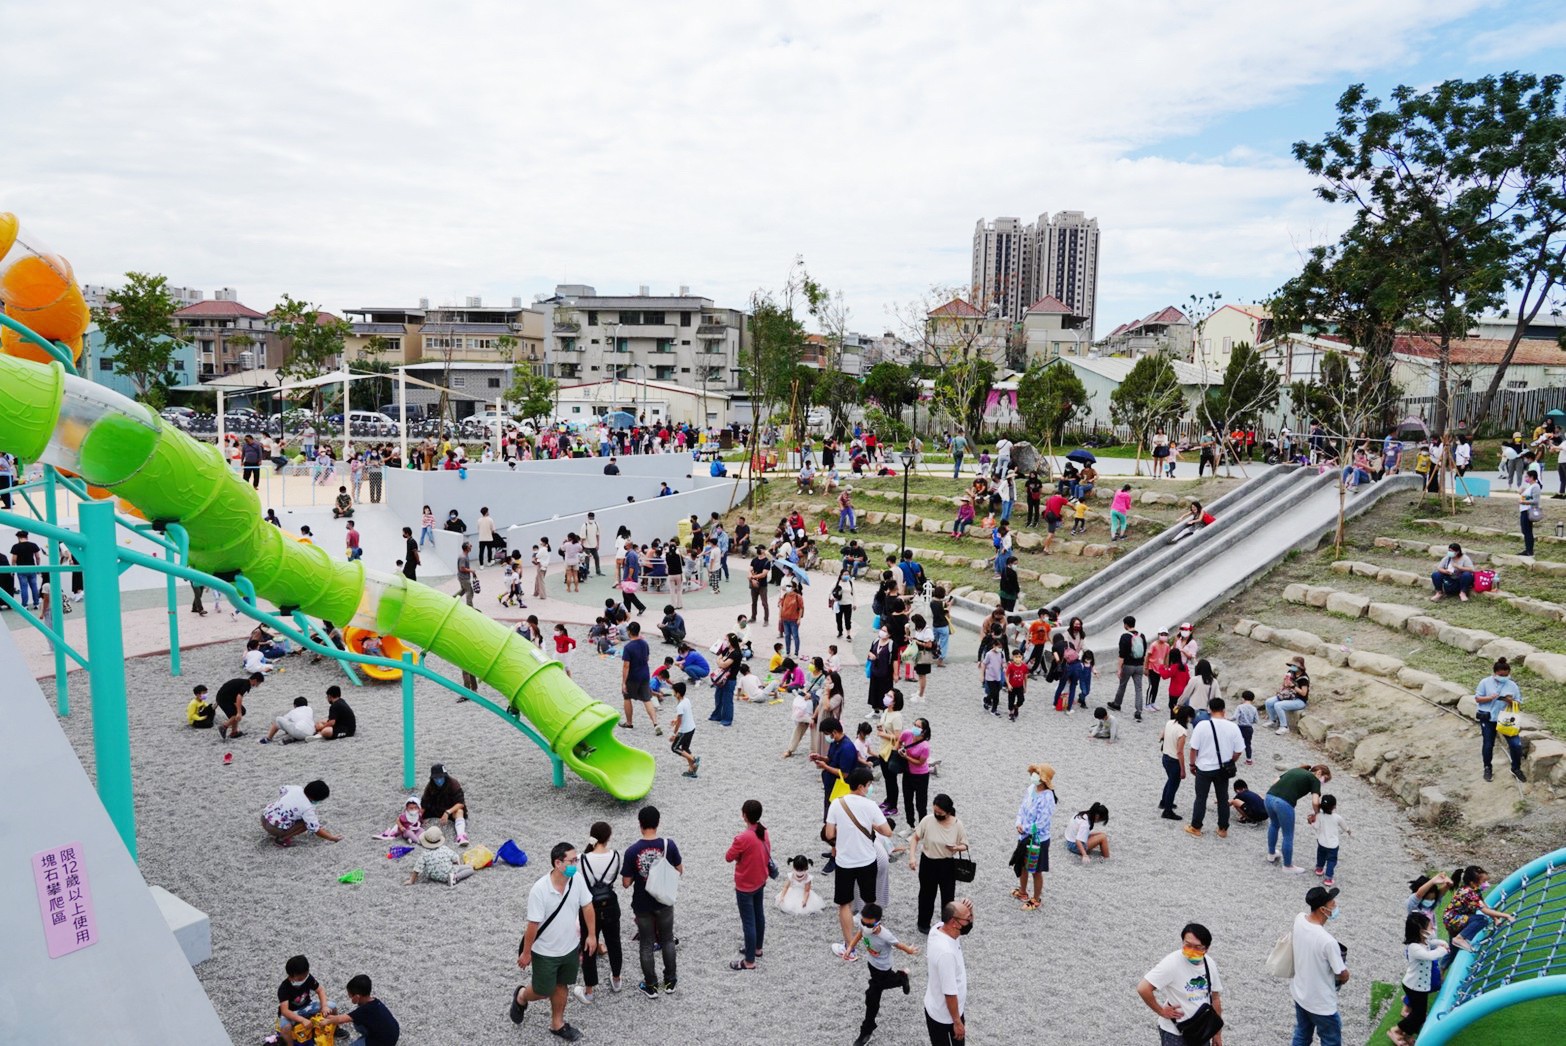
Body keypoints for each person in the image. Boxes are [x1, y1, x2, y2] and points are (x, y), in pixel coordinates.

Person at [511, 842, 596, 1042]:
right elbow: (533, 924)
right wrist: (526, 952)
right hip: (545, 951)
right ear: (558, 863)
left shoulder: (577, 879)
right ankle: (522, 996)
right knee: (542, 991)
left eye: (577, 859)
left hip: (569, 948)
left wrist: (592, 935)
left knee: (561, 985)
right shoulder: (539, 890)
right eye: (572, 860)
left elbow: (588, 907)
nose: (576, 863)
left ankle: (557, 1023)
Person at [825, 768, 894, 960]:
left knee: (844, 904)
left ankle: (849, 947)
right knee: (869, 900)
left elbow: (829, 834)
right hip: (867, 860)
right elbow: (888, 831)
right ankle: (873, 940)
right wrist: (872, 825)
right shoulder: (870, 806)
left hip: (845, 861)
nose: (870, 788)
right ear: (862, 786)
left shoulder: (837, 804)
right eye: (869, 785)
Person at [621, 806, 682, 998]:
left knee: (646, 944)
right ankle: (670, 980)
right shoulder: (668, 845)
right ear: (658, 823)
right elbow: (679, 870)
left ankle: (651, 985)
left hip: (642, 904)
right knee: (667, 939)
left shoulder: (632, 851)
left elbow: (625, 882)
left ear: (640, 824)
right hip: (664, 901)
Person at [1137, 922, 1225, 1046]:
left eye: (1197, 947)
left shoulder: (1209, 964)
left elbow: (1215, 998)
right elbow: (1143, 988)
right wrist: (1161, 1011)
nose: (1191, 950)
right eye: (1187, 945)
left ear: (1206, 948)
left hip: (1202, 1030)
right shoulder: (1172, 963)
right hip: (1175, 1033)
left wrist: (1216, 1033)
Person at [846, 901, 919, 1046]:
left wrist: (909, 950)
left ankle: (866, 1032)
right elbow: (860, 934)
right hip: (872, 965)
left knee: (872, 997)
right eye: (864, 923)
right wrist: (850, 948)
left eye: (869, 925)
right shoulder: (863, 925)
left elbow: (898, 944)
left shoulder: (885, 935)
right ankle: (901, 977)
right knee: (875, 993)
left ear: (878, 922)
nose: (866, 927)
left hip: (883, 970)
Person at [1290, 886, 1349, 1046]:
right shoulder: (1328, 941)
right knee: (1331, 1040)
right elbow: (1341, 974)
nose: (1335, 905)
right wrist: (1346, 975)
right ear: (1323, 909)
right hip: (1321, 1003)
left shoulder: (1299, 919)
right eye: (1332, 903)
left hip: (1301, 993)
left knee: (1302, 1034)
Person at [575, 822, 624, 1005]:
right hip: (611, 904)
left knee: (589, 945)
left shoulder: (581, 859)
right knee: (614, 942)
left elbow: (573, 879)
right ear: (609, 836)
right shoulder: (616, 856)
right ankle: (617, 979)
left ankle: (589, 991)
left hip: (589, 907)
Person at [1186, 697, 1244, 837]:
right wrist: (1231, 761)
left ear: (1209, 710)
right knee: (1223, 799)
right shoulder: (1233, 727)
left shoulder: (1202, 725)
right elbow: (1239, 750)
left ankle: (1196, 827)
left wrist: (1192, 764)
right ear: (1224, 710)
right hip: (1222, 769)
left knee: (1201, 798)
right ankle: (1223, 829)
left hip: (1204, 768)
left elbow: (1194, 749)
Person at [724, 799, 771, 971]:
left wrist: (739, 857)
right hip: (760, 879)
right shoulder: (763, 831)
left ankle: (749, 961)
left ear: (744, 815)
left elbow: (728, 857)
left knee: (748, 922)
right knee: (759, 914)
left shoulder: (742, 837)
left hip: (745, 884)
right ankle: (757, 948)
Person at [1388, 912, 1448, 1046]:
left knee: (1419, 1013)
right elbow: (1430, 955)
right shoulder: (1414, 947)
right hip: (1414, 986)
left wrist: (1442, 943)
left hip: (1421, 986)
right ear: (1421, 931)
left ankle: (1407, 1034)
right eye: (1429, 928)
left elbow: (1433, 943)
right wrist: (1443, 950)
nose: (1432, 930)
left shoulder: (1424, 941)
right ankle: (1396, 1030)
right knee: (1419, 1015)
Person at [1267, 764, 1332, 874]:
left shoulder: (1296, 769)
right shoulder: (1314, 780)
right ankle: (1287, 866)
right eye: (1324, 780)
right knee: (1288, 835)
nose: (1322, 783)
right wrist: (1317, 814)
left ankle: (1271, 854)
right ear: (1319, 772)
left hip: (1269, 798)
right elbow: (1315, 802)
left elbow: (1274, 782)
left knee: (1274, 825)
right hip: (1284, 804)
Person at [923, 899, 971, 1046]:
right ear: (954, 922)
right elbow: (949, 993)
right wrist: (957, 1022)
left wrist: (970, 911)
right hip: (946, 1017)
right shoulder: (946, 954)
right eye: (967, 918)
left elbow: (966, 927)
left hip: (938, 1008)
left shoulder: (938, 928)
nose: (970, 921)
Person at [1442, 864, 1516, 953]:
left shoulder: (1475, 891)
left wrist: (1495, 919)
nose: (1486, 884)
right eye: (1484, 881)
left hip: (1455, 920)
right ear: (1473, 883)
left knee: (1453, 951)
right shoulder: (1469, 892)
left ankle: (1442, 966)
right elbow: (1484, 910)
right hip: (1454, 920)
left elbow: (1484, 905)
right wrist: (1506, 916)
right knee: (1482, 920)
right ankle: (1459, 938)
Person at [1474, 657, 1526, 782]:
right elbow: (1478, 698)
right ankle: (1487, 768)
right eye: (1501, 675)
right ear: (1495, 673)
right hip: (1488, 717)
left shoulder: (1512, 685)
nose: (1504, 677)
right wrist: (1490, 698)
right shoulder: (1485, 682)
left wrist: (1510, 701)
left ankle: (1516, 768)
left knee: (1516, 744)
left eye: (1506, 675)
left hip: (1505, 718)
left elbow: (1518, 703)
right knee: (1488, 744)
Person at [1013, 764, 1055, 911]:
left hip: (1038, 839)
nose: (1034, 775)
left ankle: (1036, 899)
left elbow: (1042, 823)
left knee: (1036, 870)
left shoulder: (1048, 797)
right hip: (1024, 834)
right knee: (1022, 864)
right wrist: (1019, 822)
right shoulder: (1031, 789)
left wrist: (1024, 828)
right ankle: (1023, 892)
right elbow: (1022, 808)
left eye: (1038, 773)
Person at [321, 974, 399, 1045]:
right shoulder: (375, 1002)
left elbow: (342, 1019)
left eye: (350, 996)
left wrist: (327, 1021)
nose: (350, 998)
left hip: (383, 1042)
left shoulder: (363, 1011)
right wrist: (331, 1018)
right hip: (393, 1033)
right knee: (356, 1021)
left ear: (357, 997)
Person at [260, 780, 340, 847]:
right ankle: (282, 839)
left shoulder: (297, 788)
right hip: (274, 828)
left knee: (296, 815)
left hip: (264, 818)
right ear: (317, 799)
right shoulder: (307, 808)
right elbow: (315, 829)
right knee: (305, 824)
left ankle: (283, 829)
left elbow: (282, 789)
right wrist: (332, 838)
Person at [619, 622, 662, 736]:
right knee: (647, 699)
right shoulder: (644, 643)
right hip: (644, 675)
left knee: (627, 697)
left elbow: (626, 666)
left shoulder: (628, 647)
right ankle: (655, 723)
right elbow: (647, 658)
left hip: (633, 676)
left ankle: (629, 722)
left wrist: (623, 682)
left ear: (629, 632)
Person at [276, 955, 332, 1035]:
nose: (304, 979)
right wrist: (302, 1020)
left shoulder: (308, 978)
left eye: (306, 975)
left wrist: (324, 1006)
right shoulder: (284, 988)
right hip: (293, 1012)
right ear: (291, 976)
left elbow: (320, 990)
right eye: (300, 978)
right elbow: (285, 1011)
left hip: (307, 1006)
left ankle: (335, 1029)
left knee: (332, 1007)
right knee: (286, 1027)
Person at [404, 825, 473, 887]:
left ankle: (452, 876)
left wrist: (411, 880)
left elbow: (417, 869)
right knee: (470, 869)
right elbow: (455, 858)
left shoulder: (424, 854)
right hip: (448, 872)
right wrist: (458, 865)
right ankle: (455, 877)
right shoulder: (445, 848)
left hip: (433, 875)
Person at [420, 763, 470, 846]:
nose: (438, 780)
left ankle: (461, 835)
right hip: (435, 809)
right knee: (414, 809)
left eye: (441, 777)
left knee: (460, 811)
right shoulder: (430, 786)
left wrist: (447, 812)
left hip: (451, 810)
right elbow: (424, 804)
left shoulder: (454, 784)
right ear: (432, 779)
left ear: (445, 776)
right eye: (436, 778)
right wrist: (418, 817)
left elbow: (461, 803)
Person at [1159, 705, 1194, 821]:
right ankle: (1167, 810)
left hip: (1165, 757)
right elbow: (1180, 752)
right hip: (1174, 760)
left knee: (1170, 780)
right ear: (1187, 717)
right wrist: (1183, 769)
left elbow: (1162, 735)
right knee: (1173, 785)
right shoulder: (1182, 731)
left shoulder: (1170, 722)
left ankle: (1164, 802)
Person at [1110, 616, 1148, 721]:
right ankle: (1138, 711)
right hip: (1139, 666)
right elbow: (1144, 652)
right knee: (1139, 688)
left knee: (1122, 685)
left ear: (1126, 624)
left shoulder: (1125, 637)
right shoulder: (1142, 636)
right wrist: (1144, 666)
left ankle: (1117, 704)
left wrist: (1119, 669)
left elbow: (1121, 655)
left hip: (1128, 666)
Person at [900, 718, 933, 827]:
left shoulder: (925, 746)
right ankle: (911, 825)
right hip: (908, 772)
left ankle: (922, 828)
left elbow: (920, 762)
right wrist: (899, 749)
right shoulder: (907, 734)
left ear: (924, 730)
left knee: (921, 804)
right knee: (907, 800)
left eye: (918, 726)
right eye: (914, 724)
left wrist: (906, 757)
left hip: (921, 776)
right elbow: (899, 742)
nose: (915, 727)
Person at [1266, 658, 1312, 733]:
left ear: (1300, 667)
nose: (1292, 667)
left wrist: (1293, 686)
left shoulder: (1304, 678)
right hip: (1288, 695)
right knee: (1269, 702)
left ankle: (1284, 727)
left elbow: (1304, 693)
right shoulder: (1291, 672)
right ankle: (1273, 721)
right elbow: (1285, 684)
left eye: (1294, 665)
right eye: (1292, 665)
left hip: (1299, 700)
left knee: (1278, 705)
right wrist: (1285, 683)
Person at [215, 672, 263, 740]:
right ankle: (224, 726)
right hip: (224, 699)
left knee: (237, 712)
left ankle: (234, 732)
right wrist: (239, 712)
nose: (257, 686)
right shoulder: (246, 685)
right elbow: (239, 697)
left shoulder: (243, 682)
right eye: (258, 683)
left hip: (223, 698)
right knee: (240, 712)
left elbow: (235, 696)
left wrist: (238, 711)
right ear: (255, 680)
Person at [666, 681, 700, 779]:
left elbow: (680, 722)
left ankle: (694, 760)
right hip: (692, 728)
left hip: (684, 731)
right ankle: (692, 770)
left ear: (678, 693)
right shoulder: (687, 700)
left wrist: (673, 734)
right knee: (685, 749)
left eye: (674, 692)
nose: (673, 693)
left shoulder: (680, 706)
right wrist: (675, 719)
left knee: (674, 748)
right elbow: (683, 716)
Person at [1312, 795, 1345, 886]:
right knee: (1331, 861)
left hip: (1322, 842)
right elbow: (1344, 826)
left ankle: (1319, 869)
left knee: (1321, 855)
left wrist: (1311, 822)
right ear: (1334, 806)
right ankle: (1328, 878)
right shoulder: (1337, 817)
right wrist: (1348, 830)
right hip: (1333, 845)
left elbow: (1316, 827)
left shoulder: (1319, 816)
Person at [10, 530, 43, 611]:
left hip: (21, 569)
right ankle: (36, 603)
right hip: (32, 568)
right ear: (27, 537)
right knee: (34, 586)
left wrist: (13, 570)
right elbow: (38, 557)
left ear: (18, 537)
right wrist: (38, 567)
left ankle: (25, 605)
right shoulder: (33, 545)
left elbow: (14, 559)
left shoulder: (16, 546)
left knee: (23, 587)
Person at [1520, 467, 1543, 556]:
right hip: (1523, 510)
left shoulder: (1536, 486)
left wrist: (1523, 501)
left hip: (1528, 510)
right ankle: (1528, 549)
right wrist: (1522, 495)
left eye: (1527, 477)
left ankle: (1529, 550)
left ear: (1532, 477)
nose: (1525, 478)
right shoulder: (1530, 486)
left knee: (1527, 531)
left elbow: (1536, 500)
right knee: (1525, 530)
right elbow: (1529, 497)